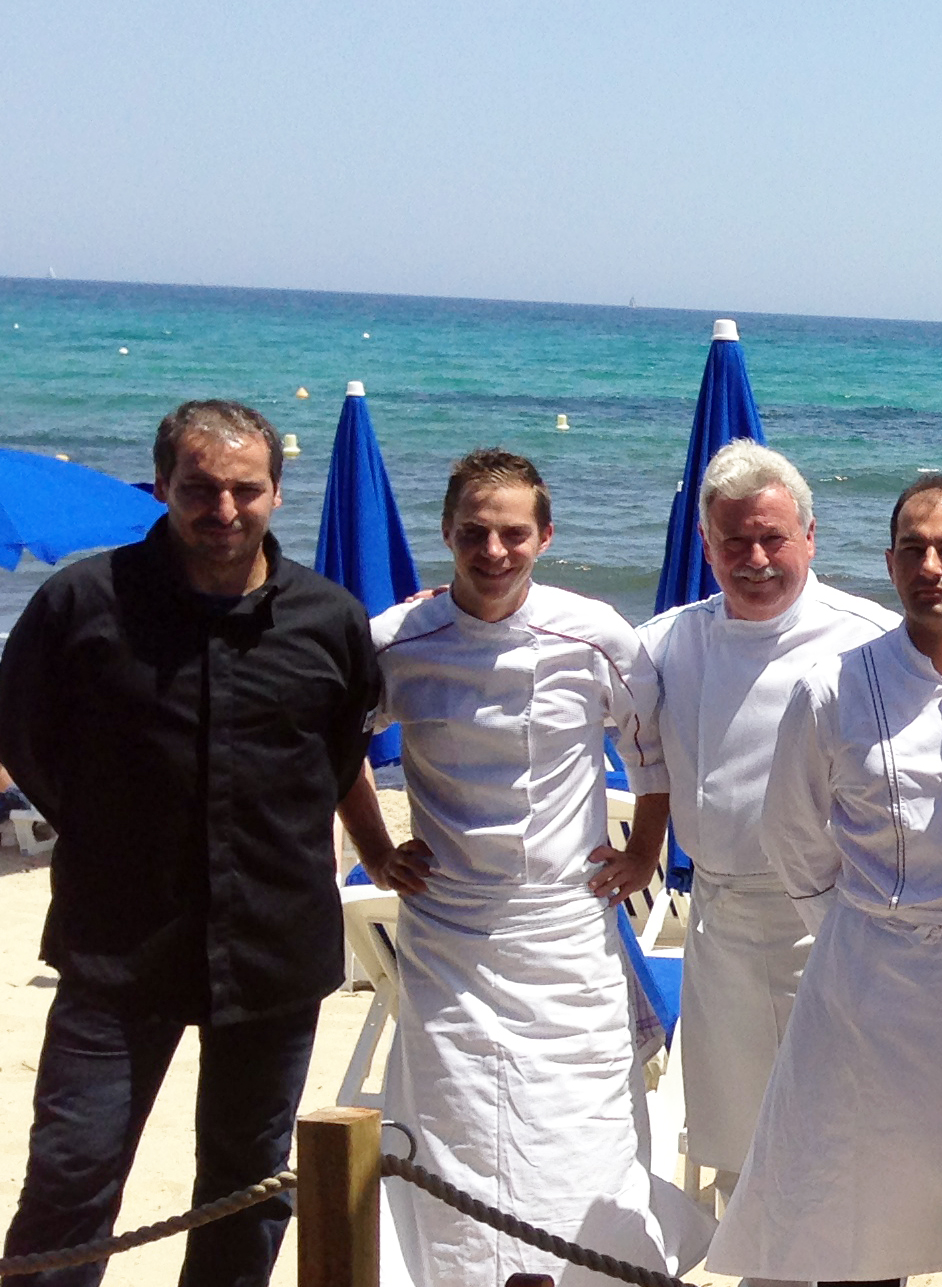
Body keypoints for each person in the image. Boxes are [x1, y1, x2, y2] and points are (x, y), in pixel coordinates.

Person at [0, 400, 382, 1287]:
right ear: (163, 486)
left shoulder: (329, 618)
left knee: (248, 1191)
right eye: (200, 489)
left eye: (245, 490)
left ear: (277, 494)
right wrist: (109, 828)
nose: (223, 511)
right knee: (72, 1174)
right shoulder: (81, 602)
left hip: (273, 950)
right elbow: (26, 738)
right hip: (116, 944)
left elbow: (339, 756)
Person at [356, 449, 712, 1286]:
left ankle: (594, 1272)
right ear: (447, 532)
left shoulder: (595, 632)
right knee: (453, 1120)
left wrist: (644, 850)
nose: (493, 550)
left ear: (545, 536)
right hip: (448, 934)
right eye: (475, 532)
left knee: (581, 1120)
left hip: (566, 926)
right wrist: (374, 850)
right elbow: (337, 741)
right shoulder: (396, 639)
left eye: (513, 533)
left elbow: (651, 748)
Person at [708, 475, 942, 1287]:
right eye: (913, 550)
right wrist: (857, 921)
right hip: (872, 984)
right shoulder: (834, 686)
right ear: (890, 564)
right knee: (860, 1202)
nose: (932, 566)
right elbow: (791, 830)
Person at [634, 439, 899, 1196]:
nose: (755, 557)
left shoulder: (872, 640)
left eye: (772, 537)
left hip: (835, 924)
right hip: (718, 927)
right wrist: (453, 605)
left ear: (810, 537)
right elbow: (558, 672)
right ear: (706, 546)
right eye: (734, 541)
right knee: (739, 1151)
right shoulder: (668, 643)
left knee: (841, 1145)